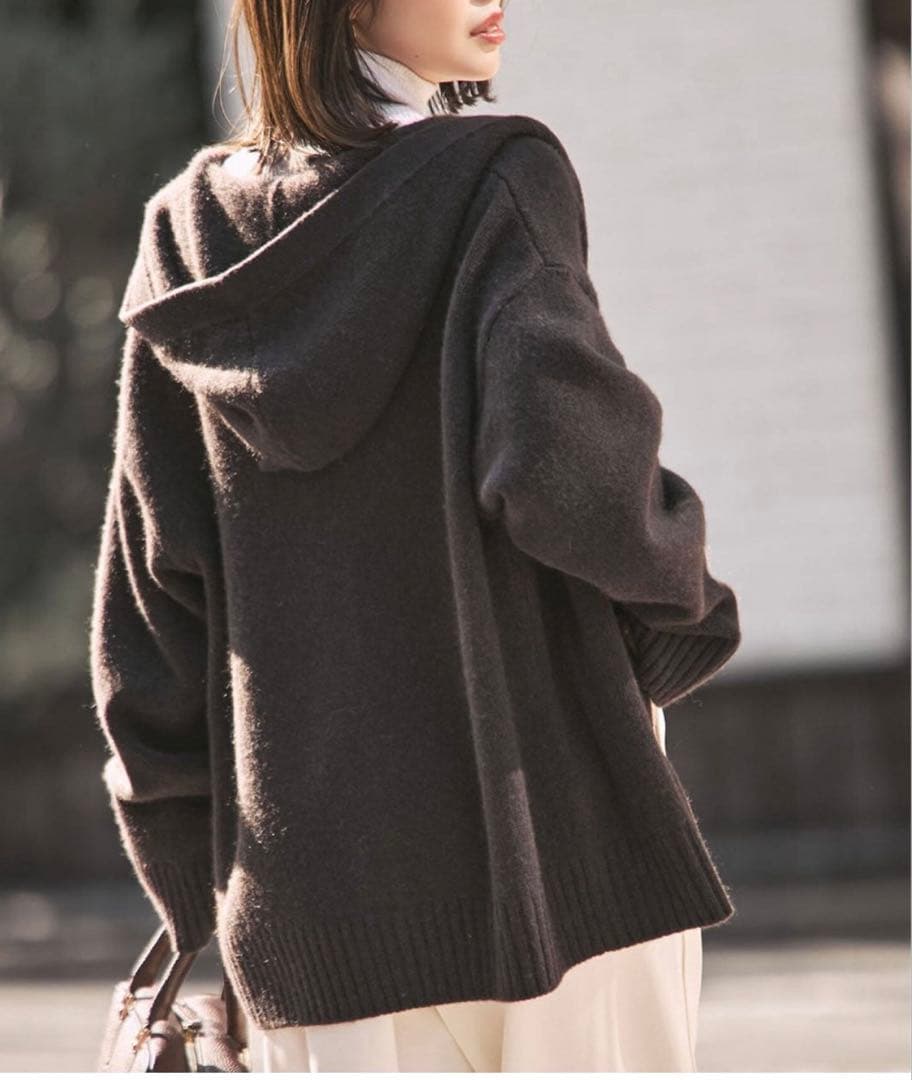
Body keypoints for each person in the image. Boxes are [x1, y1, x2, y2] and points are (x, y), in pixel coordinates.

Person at [88, 0, 742, 1072]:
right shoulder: (496, 174)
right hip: (555, 852)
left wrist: (191, 878)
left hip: (306, 901)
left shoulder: (183, 232)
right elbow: (564, 471)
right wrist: (689, 611)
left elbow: (152, 602)